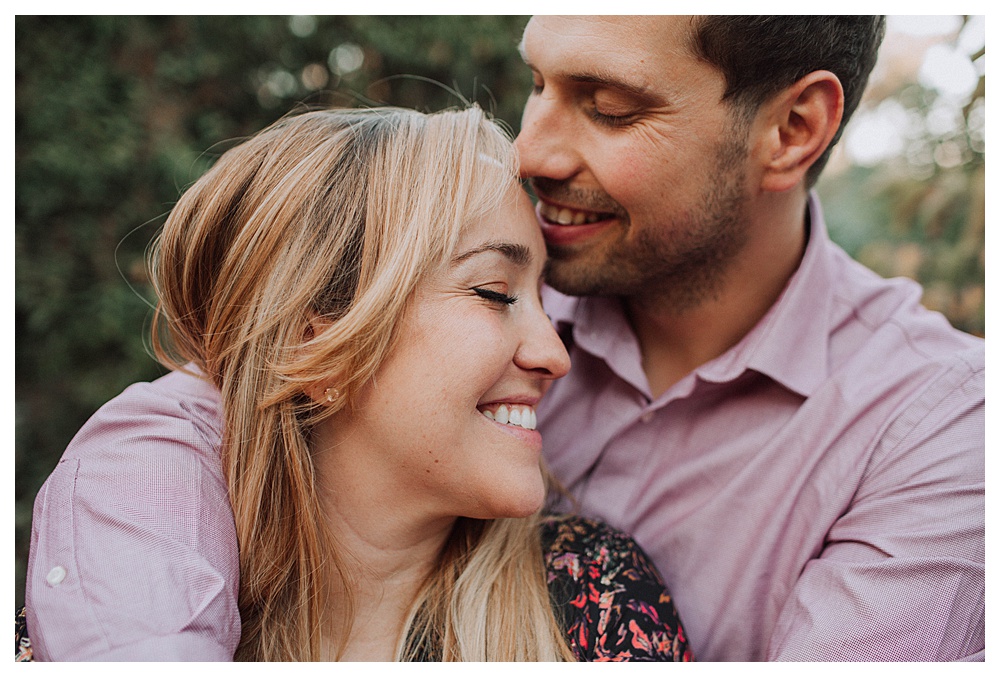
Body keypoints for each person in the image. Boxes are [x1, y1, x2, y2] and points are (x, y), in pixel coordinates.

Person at [26, 15, 985, 661]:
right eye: (538, 85)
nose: (534, 149)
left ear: (795, 127)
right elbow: (222, 394)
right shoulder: (508, 266)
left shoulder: (941, 429)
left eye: (610, 106)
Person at [23, 106, 690, 661]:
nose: (554, 353)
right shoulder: (107, 614)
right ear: (318, 342)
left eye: (542, 299)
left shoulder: (594, 604)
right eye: (494, 291)